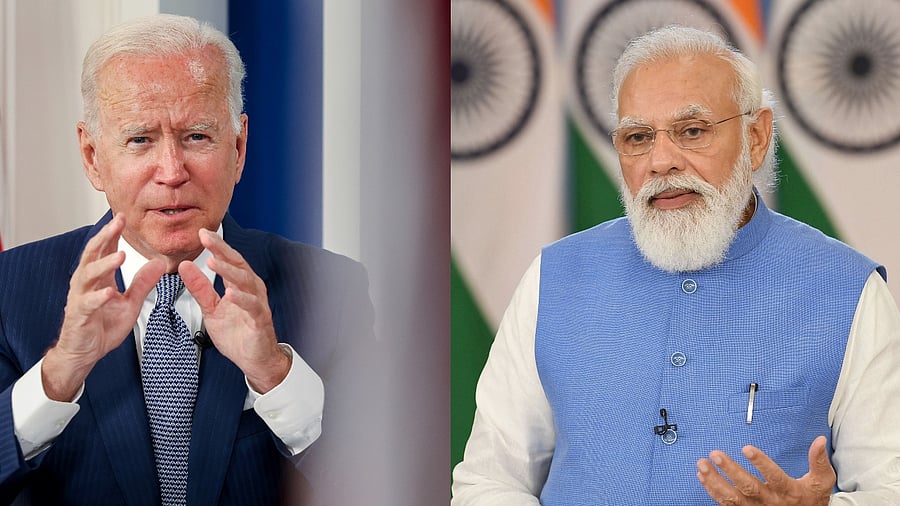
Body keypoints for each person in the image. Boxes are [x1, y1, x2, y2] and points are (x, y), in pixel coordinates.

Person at [451, 25, 900, 504]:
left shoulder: (848, 289)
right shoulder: (555, 277)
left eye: (692, 130)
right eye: (638, 137)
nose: (661, 161)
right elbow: (490, 479)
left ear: (756, 136)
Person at [0, 13, 375, 505]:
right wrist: (60, 374)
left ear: (238, 147)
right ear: (93, 157)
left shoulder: (330, 289)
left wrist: (274, 375)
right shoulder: (11, 290)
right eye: (140, 140)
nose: (172, 172)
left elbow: (383, 484)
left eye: (197, 136)